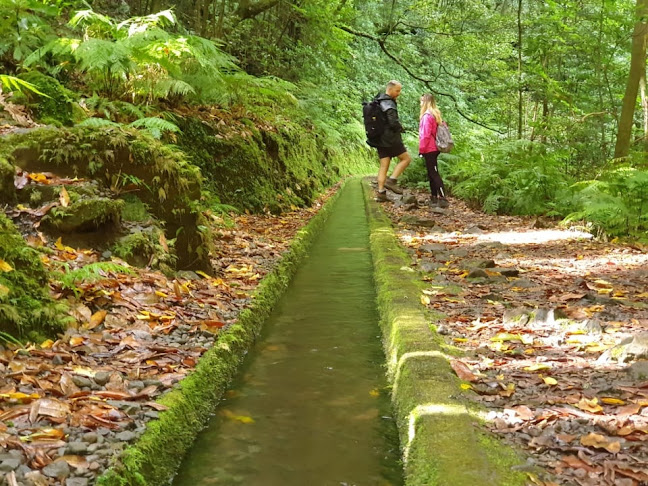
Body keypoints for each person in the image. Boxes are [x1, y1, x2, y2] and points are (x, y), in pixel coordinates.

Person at [372, 80, 411, 202]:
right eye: (397, 90)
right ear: (390, 89)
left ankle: (381, 192)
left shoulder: (377, 101)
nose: (399, 93)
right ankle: (392, 180)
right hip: (390, 139)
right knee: (406, 159)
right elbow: (393, 122)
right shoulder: (388, 103)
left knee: (384, 165)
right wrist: (401, 128)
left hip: (379, 138)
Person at [419, 93, 449, 208]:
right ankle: (433, 197)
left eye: (422, 101)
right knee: (431, 173)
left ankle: (442, 198)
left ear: (426, 102)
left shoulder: (427, 116)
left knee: (434, 173)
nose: (420, 104)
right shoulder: (435, 115)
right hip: (433, 148)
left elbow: (425, 135)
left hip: (429, 148)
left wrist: (421, 149)